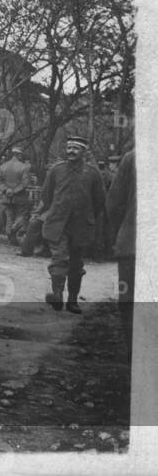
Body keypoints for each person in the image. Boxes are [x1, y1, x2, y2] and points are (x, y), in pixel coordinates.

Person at [39, 136, 107, 314]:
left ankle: (72, 301)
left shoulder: (92, 173)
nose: (71, 151)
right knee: (60, 259)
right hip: (58, 224)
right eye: (69, 148)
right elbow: (46, 196)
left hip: (81, 226)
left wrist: (86, 215)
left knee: (76, 264)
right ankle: (57, 296)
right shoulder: (56, 170)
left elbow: (100, 200)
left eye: (76, 148)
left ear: (84, 152)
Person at [106, 149, 135, 353]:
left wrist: (123, 232)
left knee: (131, 304)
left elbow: (113, 205)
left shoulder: (132, 157)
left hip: (132, 246)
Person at [0, 147, 32, 244]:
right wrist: (14, 191)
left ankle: (11, 238)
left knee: (9, 217)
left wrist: (6, 190)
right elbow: (25, 183)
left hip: (6, 197)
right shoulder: (24, 167)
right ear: (19, 155)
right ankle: (14, 230)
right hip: (19, 197)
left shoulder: (3, 166)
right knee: (22, 215)